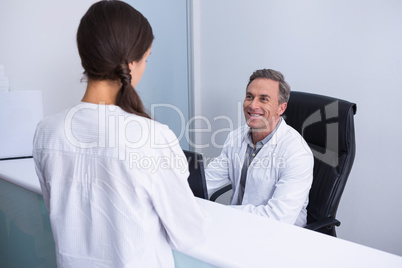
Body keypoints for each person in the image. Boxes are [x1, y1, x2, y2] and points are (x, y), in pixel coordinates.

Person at [33, 1, 208, 267]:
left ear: (85, 56)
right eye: (146, 58)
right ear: (131, 63)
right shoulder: (152, 136)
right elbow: (188, 233)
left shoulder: (47, 131)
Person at [205, 69, 314, 227]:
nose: (252, 105)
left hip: (280, 236)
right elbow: (208, 181)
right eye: (249, 96)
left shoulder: (297, 153)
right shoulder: (235, 138)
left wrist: (224, 214)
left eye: (263, 99)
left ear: (281, 108)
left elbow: (278, 217)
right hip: (238, 226)